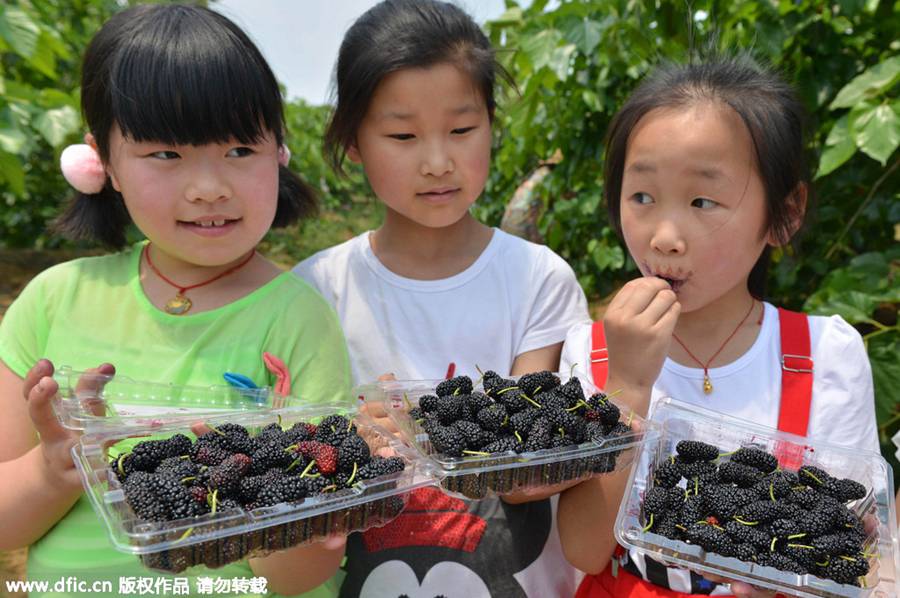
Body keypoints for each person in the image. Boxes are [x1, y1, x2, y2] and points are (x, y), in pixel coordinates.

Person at [291, 1, 659, 595]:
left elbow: (531, 467)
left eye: (462, 130)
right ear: (353, 141)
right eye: (403, 136)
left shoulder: (536, 279)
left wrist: (421, 435)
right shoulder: (317, 291)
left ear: (491, 124)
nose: (438, 162)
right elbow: (300, 468)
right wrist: (348, 440)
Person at [0, 5, 353, 597]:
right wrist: (54, 468)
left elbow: (297, 578)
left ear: (279, 152)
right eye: (166, 154)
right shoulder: (52, 301)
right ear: (104, 162)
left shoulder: (298, 319)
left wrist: (311, 527)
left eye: (240, 150)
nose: (209, 187)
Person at [558, 55, 879, 598]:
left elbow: (851, 541)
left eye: (702, 201)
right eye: (642, 196)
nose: (663, 237)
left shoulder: (826, 355)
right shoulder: (593, 353)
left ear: (784, 214)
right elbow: (585, 549)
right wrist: (629, 385)